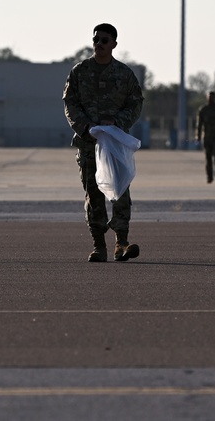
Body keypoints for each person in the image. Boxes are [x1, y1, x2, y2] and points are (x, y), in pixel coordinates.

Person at [63, 23, 144, 263]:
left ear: (114, 45)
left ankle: (122, 242)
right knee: (93, 194)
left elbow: (136, 103)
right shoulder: (80, 72)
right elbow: (70, 103)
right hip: (89, 143)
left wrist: (117, 121)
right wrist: (85, 127)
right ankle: (99, 246)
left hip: (115, 144)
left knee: (120, 191)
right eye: (96, 40)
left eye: (104, 40)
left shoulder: (124, 74)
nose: (99, 44)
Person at [195, 91, 215, 183]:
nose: (211, 99)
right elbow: (199, 124)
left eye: (212, 97)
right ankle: (209, 177)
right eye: (209, 97)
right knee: (208, 158)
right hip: (207, 137)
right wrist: (197, 135)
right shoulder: (203, 110)